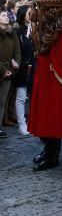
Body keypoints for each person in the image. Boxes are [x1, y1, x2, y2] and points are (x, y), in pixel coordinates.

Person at [0, 11, 21, 139]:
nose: (6, 17)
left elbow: (17, 53)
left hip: (8, 74)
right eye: (2, 15)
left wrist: (14, 67)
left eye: (7, 16)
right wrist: (2, 70)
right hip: (3, 71)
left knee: (2, 103)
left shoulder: (12, 34)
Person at [14, 5, 34, 136]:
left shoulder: (35, 28)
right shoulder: (18, 31)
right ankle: (22, 125)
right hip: (22, 67)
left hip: (34, 66)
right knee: (21, 98)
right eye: (29, 12)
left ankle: (32, 123)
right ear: (23, 15)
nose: (32, 14)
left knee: (33, 96)